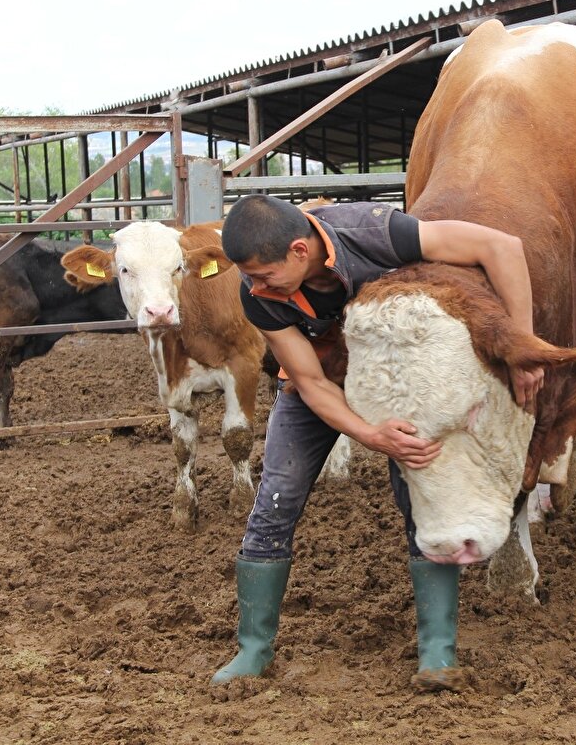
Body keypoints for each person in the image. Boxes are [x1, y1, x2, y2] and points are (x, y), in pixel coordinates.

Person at [211, 194, 543, 691]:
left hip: (396, 384)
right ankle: (253, 650)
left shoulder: (374, 230)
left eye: (263, 275)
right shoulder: (255, 294)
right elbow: (311, 381)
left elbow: (501, 246)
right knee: (275, 500)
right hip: (320, 386)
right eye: (248, 277)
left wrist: (522, 344)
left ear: (300, 251)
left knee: (419, 498)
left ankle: (437, 653)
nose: (254, 287)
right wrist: (369, 434)